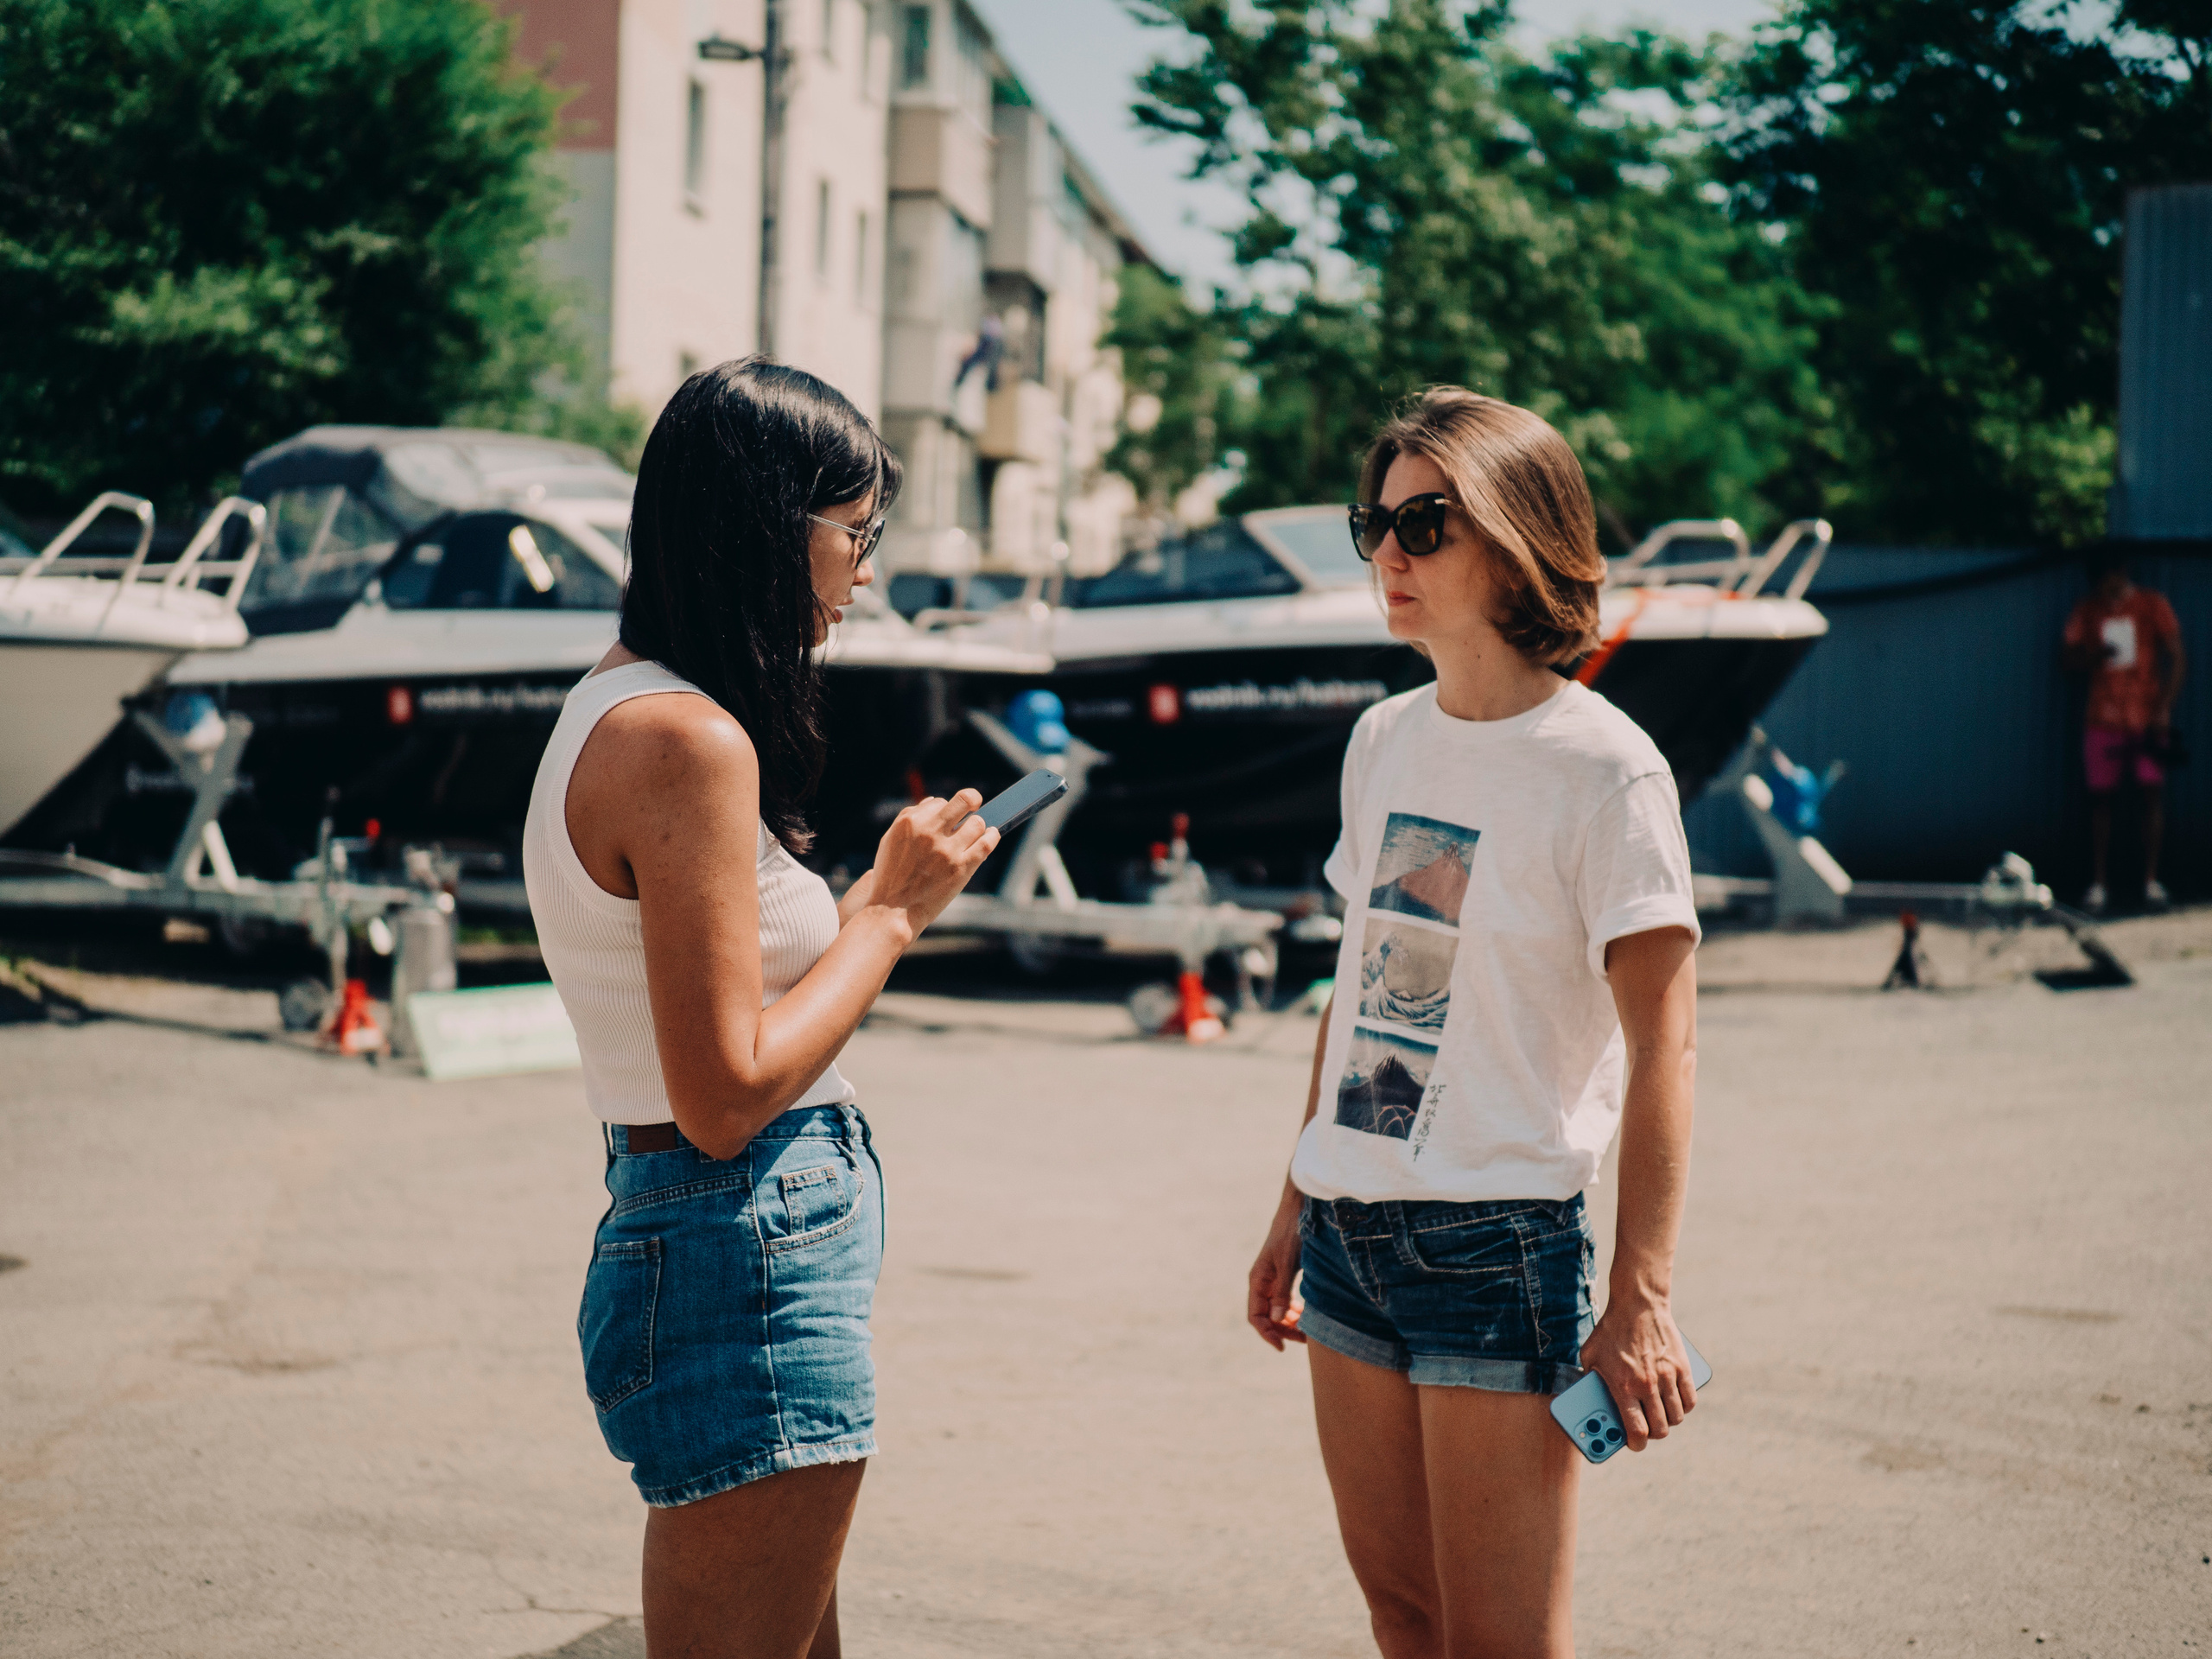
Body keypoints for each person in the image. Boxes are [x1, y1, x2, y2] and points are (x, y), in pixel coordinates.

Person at [522, 359, 1000, 1659]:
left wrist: (871, 911)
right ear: (769, 526)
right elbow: (727, 1095)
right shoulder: (681, 739)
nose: (863, 572)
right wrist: (890, 916)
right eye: (857, 534)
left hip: (721, 1246)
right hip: (739, 1245)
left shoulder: (620, 705)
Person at [1246, 389, 1701, 1659]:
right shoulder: (1383, 740)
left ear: (1514, 539)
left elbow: (1667, 1048)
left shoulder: (1606, 770)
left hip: (1497, 1246)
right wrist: (1295, 1199)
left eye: (1424, 523)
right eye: (1374, 523)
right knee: (1404, 1619)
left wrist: (1643, 1296)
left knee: (1500, 1643)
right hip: (1348, 1232)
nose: (1388, 553)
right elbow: (1369, 992)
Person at [2062, 557, 2185, 912]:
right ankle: (2099, 883)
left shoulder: (2151, 605)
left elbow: (2177, 656)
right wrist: (2094, 657)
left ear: (2122, 573)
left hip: (2146, 716)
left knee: (2151, 793)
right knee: (2101, 800)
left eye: (2112, 583)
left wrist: (2164, 707)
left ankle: (2151, 881)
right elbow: (2067, 659)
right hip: (2102, 716)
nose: (2108, 591)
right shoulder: (2087, 611)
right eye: (2101, 587)